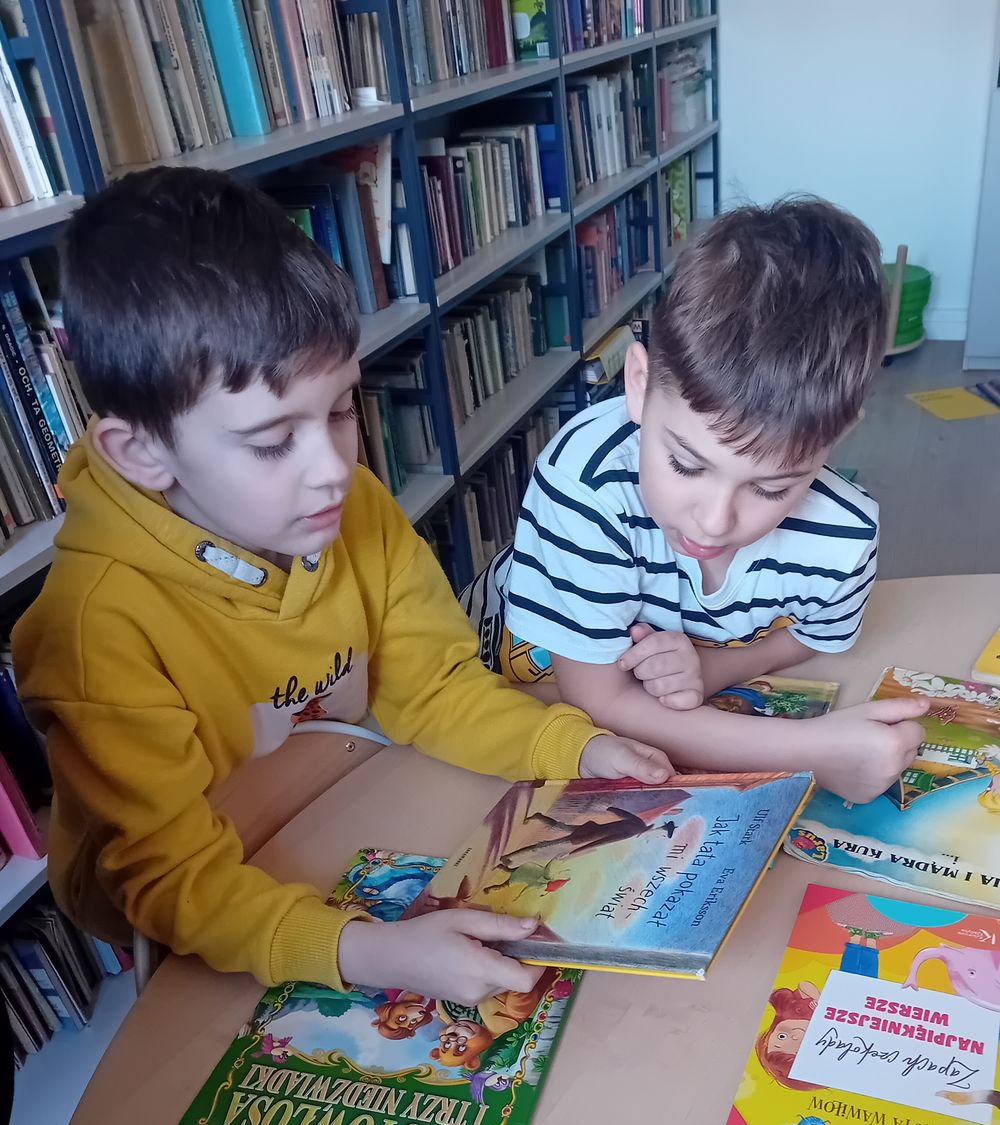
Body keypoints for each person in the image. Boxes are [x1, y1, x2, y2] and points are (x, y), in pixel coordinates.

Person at [12, 168, 671, 1009]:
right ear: (142, 453)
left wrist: (572, 747)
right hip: (199, 913)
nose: (334, 469)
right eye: (270, 440)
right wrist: (373, 952)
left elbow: (430, 688)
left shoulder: (344, 505)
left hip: (324, 804)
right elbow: (172, 882)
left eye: (339, 409)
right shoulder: (95, 628)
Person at [463, 198, 927, 803]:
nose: (713, 521)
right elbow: (595, 703)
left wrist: (714, 669)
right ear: (638, 384)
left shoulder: (845, 535)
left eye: (770, 487)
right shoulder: (586, 478)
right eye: (686, 464)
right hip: (494, 686)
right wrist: (813, 752)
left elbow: (818, 635)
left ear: (837, 436)